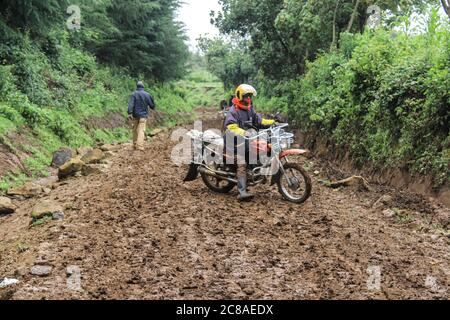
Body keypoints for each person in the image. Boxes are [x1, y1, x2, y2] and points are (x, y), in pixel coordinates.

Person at [224, 84, 275, 201]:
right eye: (246, 96)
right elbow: (231, 127)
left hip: (248, 142)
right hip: (235, 145)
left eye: (250, 96)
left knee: (262, 149)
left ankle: (256, 172)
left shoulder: (249, 108)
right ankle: (242, 192)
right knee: (242, 163)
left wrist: (273, 122)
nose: (248, 99)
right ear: (240, 96)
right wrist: (244, 133)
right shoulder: (233, 111)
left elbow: (259, 121)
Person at [127, 81, 156, 151]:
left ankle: (134, 144)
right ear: (143, 87)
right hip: (143, 116)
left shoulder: (134, 94)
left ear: (137, 87)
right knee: (141, 130)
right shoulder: (147, 94)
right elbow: (152, 106)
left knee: (134, 130)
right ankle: (139, 146)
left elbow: (131, 104)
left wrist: (129, 112)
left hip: (135, 115)